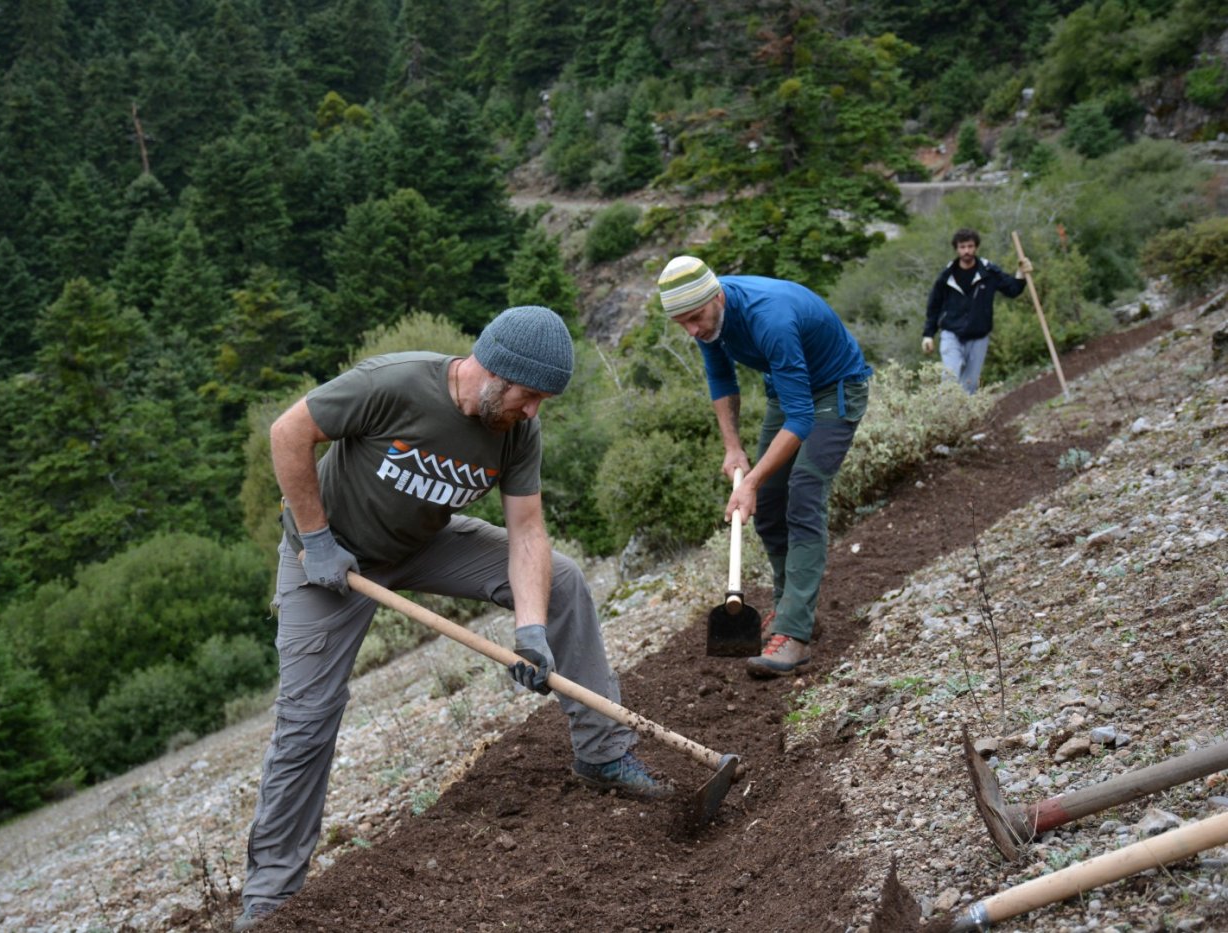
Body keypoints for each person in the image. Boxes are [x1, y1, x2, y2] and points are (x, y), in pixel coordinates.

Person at [238, 305, 672, 930]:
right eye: (529, 397)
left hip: (421, 544)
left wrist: (530, 627)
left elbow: (528, 531)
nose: (533, 412)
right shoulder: (393, 384)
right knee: (308, 720)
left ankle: (603, 754)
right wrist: (317, 536)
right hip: (327, 560)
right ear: (495, 371)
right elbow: (288, 432)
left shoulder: (516, 431)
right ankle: (269, 900)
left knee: (565, 582)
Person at [656, 256, 871, 678]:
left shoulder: (769, 318)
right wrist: (733, 449)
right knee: (770, 507)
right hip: (787, 391)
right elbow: (721, 379)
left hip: (834, 392)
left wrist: (751, 480)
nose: (693, 330)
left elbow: (802, 420)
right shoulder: (705, 317)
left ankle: (794, 635)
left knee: (804, 497)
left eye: (695, 318)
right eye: (682, 323)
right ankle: (792, 608)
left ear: (716, 297)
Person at [922, 228, 1031, 394]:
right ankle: (944, 417)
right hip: (951, 334)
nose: (967, 251)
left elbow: (1012, 289)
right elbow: (934, 305)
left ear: (976, 247)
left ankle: (965, 419)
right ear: (956, 249)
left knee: (970, 384)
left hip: (979, 336)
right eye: (963, 247)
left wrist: (1021, 273)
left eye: (970, 246)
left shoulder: (988, 272)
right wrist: (928, 334)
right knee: (949, 380)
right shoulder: (946, 276)